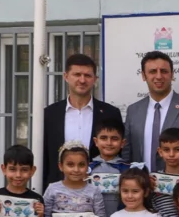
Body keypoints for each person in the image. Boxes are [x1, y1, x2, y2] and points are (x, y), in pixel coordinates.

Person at [42, 53, 123, 189]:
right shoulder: (50, 114)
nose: (82, 80)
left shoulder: (110, 113)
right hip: (59, 192)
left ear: (95, 79)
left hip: (100, 191)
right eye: (77, 74)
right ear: (66, 76)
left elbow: (118, 154)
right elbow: (44, 156)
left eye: (87, 75)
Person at [124, 51, 179, 172]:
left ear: (172, 75)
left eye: (164, 71)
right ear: (143, 75)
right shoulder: (133, 111)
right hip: (141, 182)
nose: (159, 76)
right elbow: (127, 154)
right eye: (153, 71)